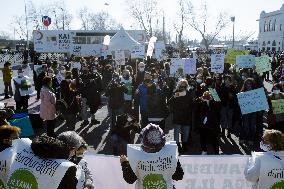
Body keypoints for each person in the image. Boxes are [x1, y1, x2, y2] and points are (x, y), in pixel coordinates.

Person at [120, 123, 184, 189]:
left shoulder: (137, 156)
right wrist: (174, 160)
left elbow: (130, 179)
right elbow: (178, 176)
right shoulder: (170, 154)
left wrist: (125, 163)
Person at [168, 79, 195, 153]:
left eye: (184, 86)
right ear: (179, 86)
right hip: (177, 116)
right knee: (176, 132)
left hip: (186, 116)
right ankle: (177, 145)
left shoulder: (189, 93)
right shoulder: (175, 92)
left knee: (186, 132)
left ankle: (185, 145)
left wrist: (190, 110)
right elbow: (169, 102)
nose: (183, 87)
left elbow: (192, 104)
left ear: (186, 86)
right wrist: (174, 96)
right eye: (181, 86)